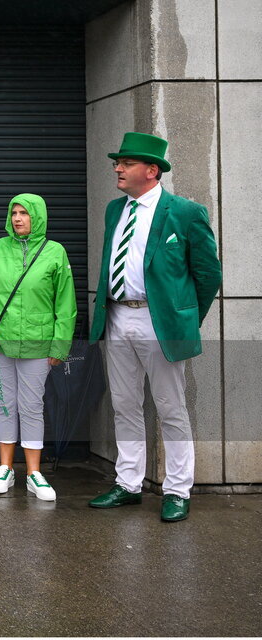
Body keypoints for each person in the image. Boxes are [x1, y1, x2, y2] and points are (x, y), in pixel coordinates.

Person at [87, 132, 222, 522]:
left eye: (126, 164)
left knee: (170, 407)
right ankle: (128, 483)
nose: (118, 168)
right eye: (118, 162)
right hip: (117, 315)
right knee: (124, 405)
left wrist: (183, 320)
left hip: (158, 321)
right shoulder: (115, 209)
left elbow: (208, 274)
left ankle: (178, 490)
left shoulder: (184, 212)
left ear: (151, 170)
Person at [0, 194, 77, 501]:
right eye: (14, 213)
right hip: (0, 341)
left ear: (38, 217)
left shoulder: (54, 253)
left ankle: (34, 474)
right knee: (5, 403)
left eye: (25, 213)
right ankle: (5, 467)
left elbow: (65, 304)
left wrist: (60, 346)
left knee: (32, 406)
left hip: (38, 342)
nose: (18, 218)